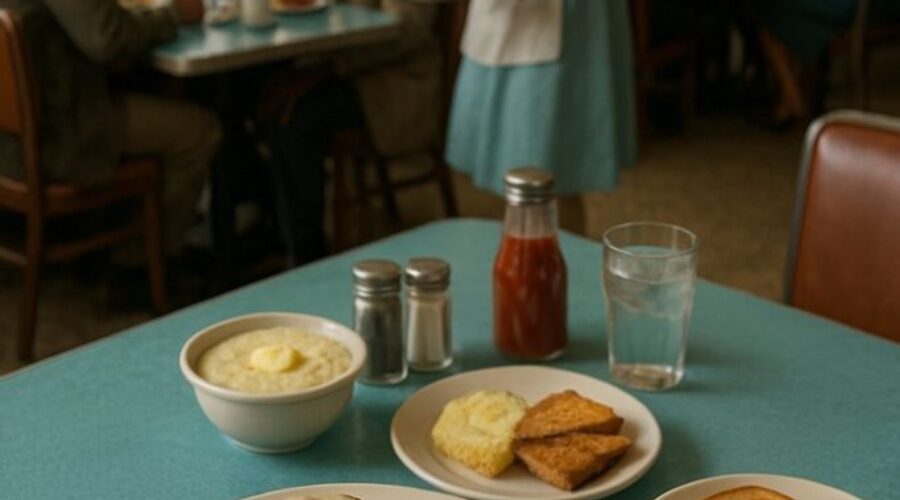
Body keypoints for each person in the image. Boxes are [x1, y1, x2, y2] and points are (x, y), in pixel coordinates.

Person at [0, 0, 222, 261]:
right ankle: (140, 262)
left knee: (150, 87)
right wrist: (174, 15)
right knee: (199, 131)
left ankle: (124, 234)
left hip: (13, 140)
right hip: (59, 138)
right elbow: (105, 37)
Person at [263, 0, 440, 265]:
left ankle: (306, 256)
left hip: (391, 82)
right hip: (345, 69)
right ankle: (272, 234)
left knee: (298, 119)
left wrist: (325, 68)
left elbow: (406, 29)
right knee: (267, 99)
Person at [444, 0, 637, 233]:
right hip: (508, 19)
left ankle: (559, 263)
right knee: (519, 178)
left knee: (548, 178)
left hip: (562, 22)